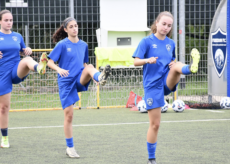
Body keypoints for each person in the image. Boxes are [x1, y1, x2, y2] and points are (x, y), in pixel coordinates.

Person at [132, 11, 200, 164]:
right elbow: (136, 61)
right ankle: (151, 159)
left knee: (175, 65)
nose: (166, 28)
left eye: (169, 26)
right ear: (156, 23)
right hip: (152, 86)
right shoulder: (146, 41)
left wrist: (172, 62)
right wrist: (147, 60)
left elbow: (172, 58)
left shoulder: (171, 43)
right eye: (163, 24)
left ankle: (191, 67)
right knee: (155, 124)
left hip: (166, 81)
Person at [47, 17, 111, 158]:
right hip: (66, 82)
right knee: (69, 116)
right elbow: (49, 62)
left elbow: (84, 65)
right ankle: (70, 148)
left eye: (76, 25)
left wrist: (92, 76)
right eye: (71, 26)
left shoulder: (84, 45)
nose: (74, 28)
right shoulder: (62, 44)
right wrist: (58, 69)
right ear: (65, 29)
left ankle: (99, 77)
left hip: (79, 78)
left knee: (89, 67)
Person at [0, 9, 48, 148]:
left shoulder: (17, 36)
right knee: (4, 108)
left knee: (27, 59)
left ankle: (39, 67)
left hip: (16, 70)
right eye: (6, 20)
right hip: (2, 74)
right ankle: (4, 138)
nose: (9, 23)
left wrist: (28, 49)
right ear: (0, 21)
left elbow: (23, 50)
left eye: (11, 20)